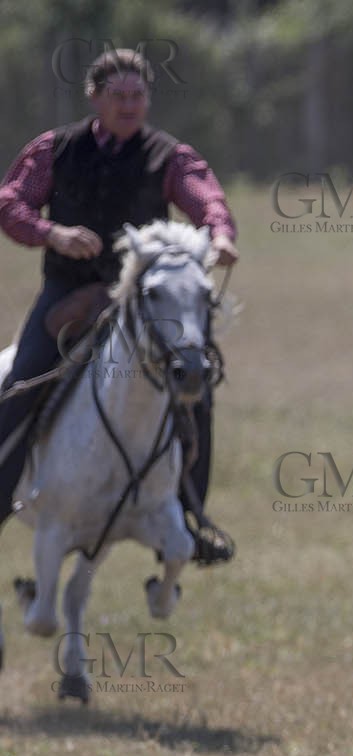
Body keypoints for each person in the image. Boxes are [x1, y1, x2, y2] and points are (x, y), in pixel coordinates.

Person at [0, 48, 238, 563]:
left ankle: (190, 518)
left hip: (143, 302)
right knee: (22, 382)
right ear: (94, 97)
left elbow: (207, 200)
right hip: (67, 295)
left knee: (196, 389)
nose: (129, 106)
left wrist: (219, 235)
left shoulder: (168, 156)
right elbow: (10, 203)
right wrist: (52, 234)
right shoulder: (56, 149)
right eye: (118, 96)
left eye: (138, 96)